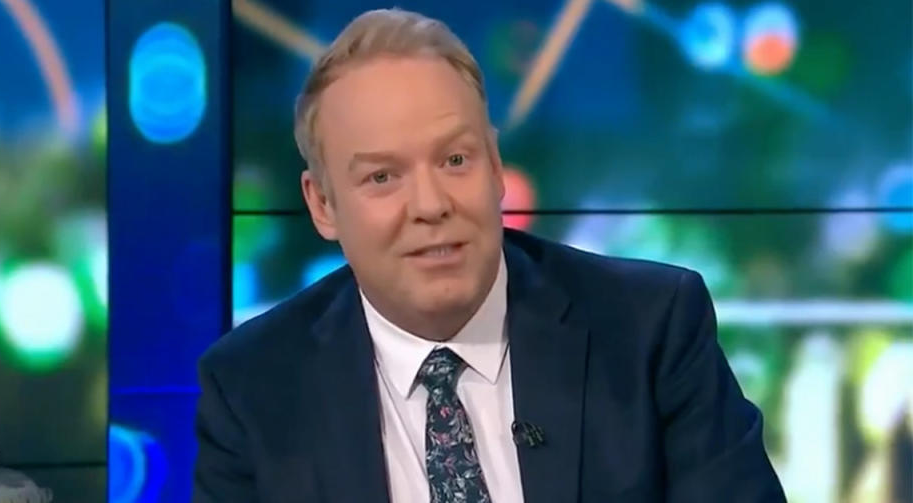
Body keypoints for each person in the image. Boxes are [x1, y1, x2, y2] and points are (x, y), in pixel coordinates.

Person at [194, 8, 785, 503]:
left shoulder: (649, 330)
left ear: (497, 168)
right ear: (322, 205)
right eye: (381, 176)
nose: (430, 204)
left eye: (455, 161)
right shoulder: (253, 388)